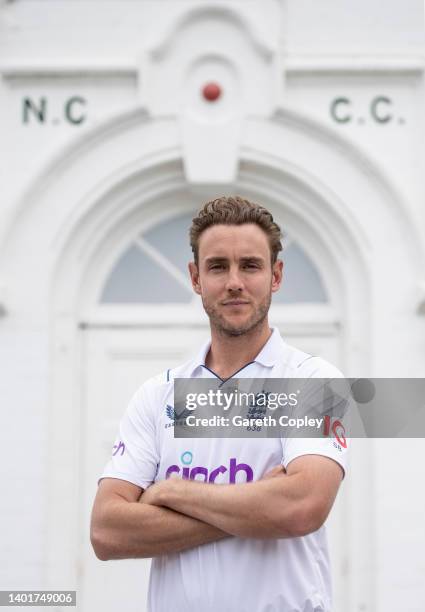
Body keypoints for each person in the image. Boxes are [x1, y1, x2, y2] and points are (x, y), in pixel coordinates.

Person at [90, 196, 348, 612]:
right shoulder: (158, 395)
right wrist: (258, 505)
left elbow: (302, 507)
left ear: (275, 275)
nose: (234, 282)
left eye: (249, 265)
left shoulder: (313, 380)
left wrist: (173, 491)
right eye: (217, 266)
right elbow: (107, 531)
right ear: (195, 277)